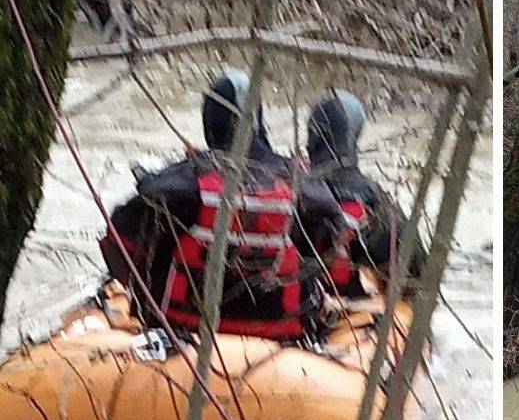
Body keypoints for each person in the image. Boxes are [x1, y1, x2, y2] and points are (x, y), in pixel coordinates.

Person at [100, 69, 343, 340]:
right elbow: (330, 245)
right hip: (282, 337)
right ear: (259, 122)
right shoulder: (304, 187)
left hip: (182, 333)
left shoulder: (180, 183)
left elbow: (118, 241)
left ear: (211, 123)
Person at [306, 90, 426, 299]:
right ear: (354, 135)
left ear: (313, 134)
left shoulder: (287, 184)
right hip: (350, 309)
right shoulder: (373, 200)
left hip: (293, 307)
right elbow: (415, 272)